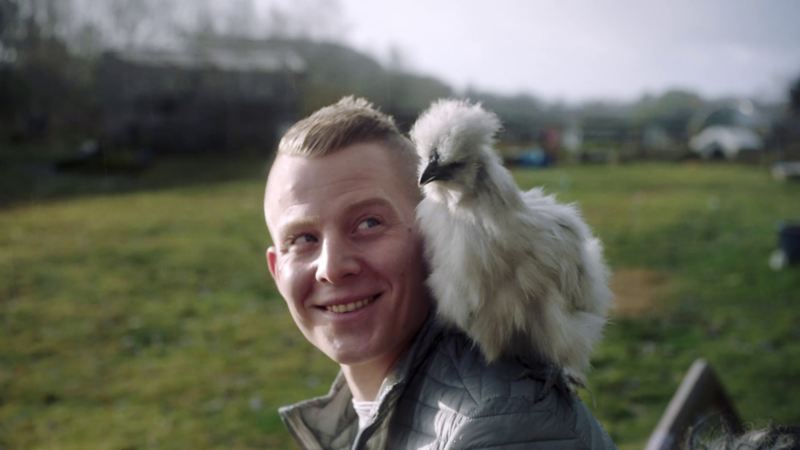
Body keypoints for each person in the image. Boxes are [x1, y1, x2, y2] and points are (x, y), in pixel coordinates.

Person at [263, 96, 616, 449]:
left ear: (429, 233)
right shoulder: (356, 413)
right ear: (277, 270)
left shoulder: (500, 428)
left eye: (369, 223)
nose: (333, 268)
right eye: (303, 238)